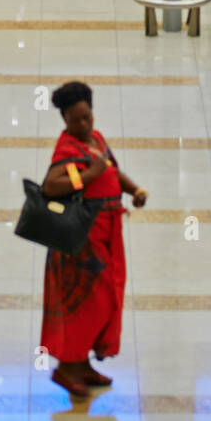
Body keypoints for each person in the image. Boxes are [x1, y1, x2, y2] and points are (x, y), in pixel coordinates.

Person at [40, 82, 147, 397]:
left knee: (105, 299)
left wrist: (134, 190)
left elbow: (112, 169)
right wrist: (87, 174)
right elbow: (52, 185)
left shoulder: (97, 140)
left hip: (108, 235)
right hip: (82, 242)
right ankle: (66, 367)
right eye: (76, 120)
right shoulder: (68, 148)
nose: (84, 125)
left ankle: (83, 362)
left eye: (87, 117)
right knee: (84, 303)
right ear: (65, 121)